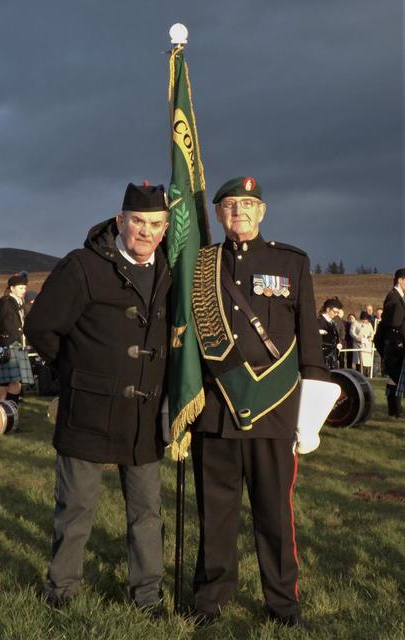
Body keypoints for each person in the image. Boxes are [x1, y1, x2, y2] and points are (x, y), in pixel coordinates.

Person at [189, 176, 331, 628]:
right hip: (215, 412)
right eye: (230, 205)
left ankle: (283, 606)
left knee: (275, 515)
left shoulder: (292, 263)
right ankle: (210, 602)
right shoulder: (199, 265)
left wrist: (309, 419)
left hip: (273, 412)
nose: (239, 213)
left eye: (248, 205)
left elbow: (310, 344)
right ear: (217, 214)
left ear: (262, 212)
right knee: (216, 515)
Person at [24, 182, 171, 612]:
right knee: (76, 508)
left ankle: (147, 596)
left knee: (147, 512)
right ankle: (63, 591)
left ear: (165, 229)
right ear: (121, 221)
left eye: (156, 224)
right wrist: (76, 374)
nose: (146, 232)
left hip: (143, 413)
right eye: (139, 222)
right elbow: (41, 329)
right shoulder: (83, 266)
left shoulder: (167, 271)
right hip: (87, 408)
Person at [0, 273, 34, 405]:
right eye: (21, 287)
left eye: (24, 287)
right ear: (12, 288)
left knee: (16, 382)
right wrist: (3, 342)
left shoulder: (21, 303)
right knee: (4, 383)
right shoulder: (6, 301)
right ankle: (4, 414)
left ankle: (12, 413)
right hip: (8, 345)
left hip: (18, 344)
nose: (24, 290)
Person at [378, 268, 405, 417]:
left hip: (395, 341)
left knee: (395, 377)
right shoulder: (394, 297)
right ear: (400, 280)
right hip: (395, 342)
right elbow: (394, 323)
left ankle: (395, 410)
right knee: (395, 375)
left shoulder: (398, 296)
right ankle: (395, 410)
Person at [317, 298, 343, 369]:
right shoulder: (320, 322)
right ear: (328, 309)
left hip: (332, 355)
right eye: (335, 312)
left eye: (337, 312)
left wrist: (338, 343)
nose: (336, 314)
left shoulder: (332, 322)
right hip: (324, 356)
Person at [350, 311, 374, 377]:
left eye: (366, 319)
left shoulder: (369, 324)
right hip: (358, 344)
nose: (365, 321)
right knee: (359, 360)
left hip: (367, 345)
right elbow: (352, 332)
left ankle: (366, 374)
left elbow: (372, 333)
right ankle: (358, 374)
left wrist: (370, 338)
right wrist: (358, 338)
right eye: (364, 319)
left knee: (366, 361)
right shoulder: (355, 323)